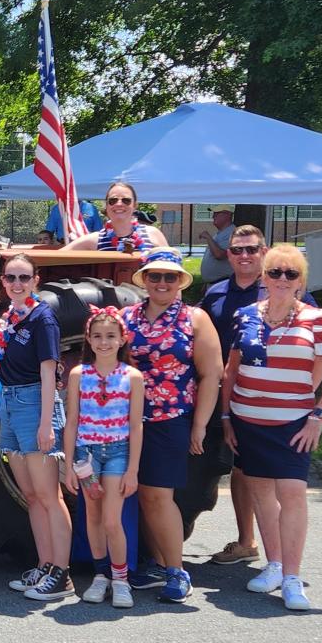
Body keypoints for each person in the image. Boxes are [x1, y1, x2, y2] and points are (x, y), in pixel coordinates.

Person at [223, 245, 322, 610]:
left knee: (292, 493)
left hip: (294, 423)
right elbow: (231, 372)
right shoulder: (246, 315)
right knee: (262, 493)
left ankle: (293, 577)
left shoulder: (316, 319)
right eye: (275, 272)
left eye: (290, 274)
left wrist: (318, 416)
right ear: (263, 277)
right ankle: (274, 565)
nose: (281, 279)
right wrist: (227, 418)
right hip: (248, 421)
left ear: (301, 282)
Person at [198, 224, 315, 566]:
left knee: (270, 480)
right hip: (221, 394)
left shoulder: (284, 288)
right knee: (238, 468)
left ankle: (278, 559)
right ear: (228, 255)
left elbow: (316, 346)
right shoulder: (215, 293)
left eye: (252, 249)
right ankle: (247, 541)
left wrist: (309, 402)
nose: (244, 255)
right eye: (237, 250)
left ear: (264, 254)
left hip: (272, 403)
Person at [121, 249, 222, 603]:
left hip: (171, 418)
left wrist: (200, 425)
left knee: (159, 495)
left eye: (169, 277)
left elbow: (212, 375)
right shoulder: (127, 316)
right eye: (154, 276)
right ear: (144, 280)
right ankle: (159, 565)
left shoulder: (195, 319)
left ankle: (178, 571)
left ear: (180, 281)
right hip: (129, 419)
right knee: (142, 495)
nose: (161, 282)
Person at [0, 254, 74, 602]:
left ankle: (62, 574)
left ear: (36, 280)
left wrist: (46, 424)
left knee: (49, 496)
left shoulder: (44, 318)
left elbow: (48, 370)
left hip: (34, 404)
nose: (17, 283)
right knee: (32, 496)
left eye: (24, 277)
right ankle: (44, 564)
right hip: (11, 404)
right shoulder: (15, 317)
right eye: (11, 277)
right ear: (4, 282)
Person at [62, 309, 144, 609]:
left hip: (118, 453)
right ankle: (101, 576)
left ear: (123, 339)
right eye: (97, 336)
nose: (104, 342)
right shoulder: (78, 375)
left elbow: (136, 425)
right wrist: (69, 465)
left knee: (112, 519)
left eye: (111, 336)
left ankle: (120, 580)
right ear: (88, 339)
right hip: (86, 455)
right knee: (92, 517)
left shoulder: (132, 376)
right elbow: (72, 422)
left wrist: (133, 469)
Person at [66, 182, 169, 259]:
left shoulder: (153, 234)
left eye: (126, 200)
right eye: (113, 200)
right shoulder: (95, 240)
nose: (119, 204)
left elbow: (174, 270)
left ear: (135, 206)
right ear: (107, 206)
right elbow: (56, 256)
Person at [199, 208, 235, 283]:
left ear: (228, 215)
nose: (213, 216)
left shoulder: (232, 233)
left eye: (217, 214)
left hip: (223, 284)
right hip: (215, 283)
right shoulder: (221, 233)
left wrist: (208, 237)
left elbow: (219, 255)